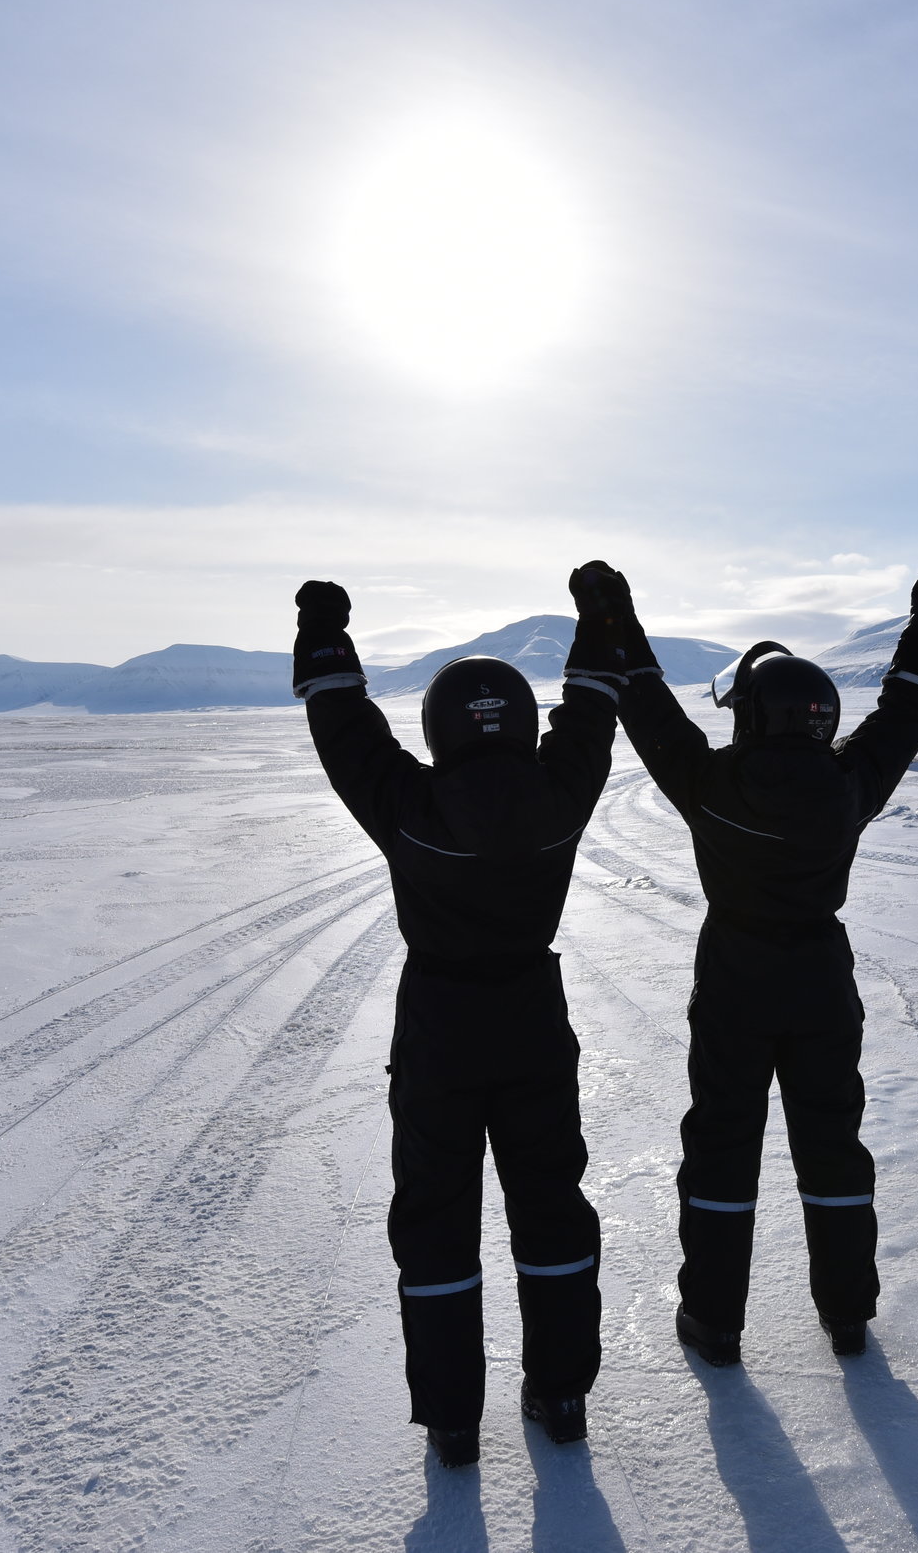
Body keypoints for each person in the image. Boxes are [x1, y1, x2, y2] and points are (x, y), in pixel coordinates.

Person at [565, 560, 918, 1365]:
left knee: (722, 1145)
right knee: (833, 1142)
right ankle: (847, 1313)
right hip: (822, 976)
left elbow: (643, 698)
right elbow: (906, 711)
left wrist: (615, 616)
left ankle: (715, 1321)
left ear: (751, 715)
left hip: (736, 976)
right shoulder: (850, 782)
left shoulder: (710, 781)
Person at [292, 578, 625, 1469]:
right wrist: (599, 625)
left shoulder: (415, 807)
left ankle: (451, 1419)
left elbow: (344, 729)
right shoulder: (561, 796)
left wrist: (323, 631)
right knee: (551, 1205)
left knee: (437, 1218)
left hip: (439, 1028)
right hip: (532, 1023)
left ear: (439, 728)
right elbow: (593, 712)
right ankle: (562, 1393)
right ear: (521, 722)